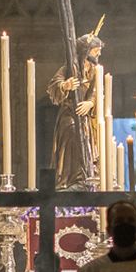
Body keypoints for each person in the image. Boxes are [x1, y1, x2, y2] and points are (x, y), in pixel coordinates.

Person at [46, 30, 103, 189]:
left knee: (86, 139)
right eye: (96, 51)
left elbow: (98, 92)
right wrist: (66, 85)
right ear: (86, 51)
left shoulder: (94, 71)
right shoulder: (69, 68)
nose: (98, 54)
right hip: (69, 114)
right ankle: (69, 178)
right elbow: (54, 85)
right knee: (71, 131)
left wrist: (90, 104)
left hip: (86, 117)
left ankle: (85, 176)